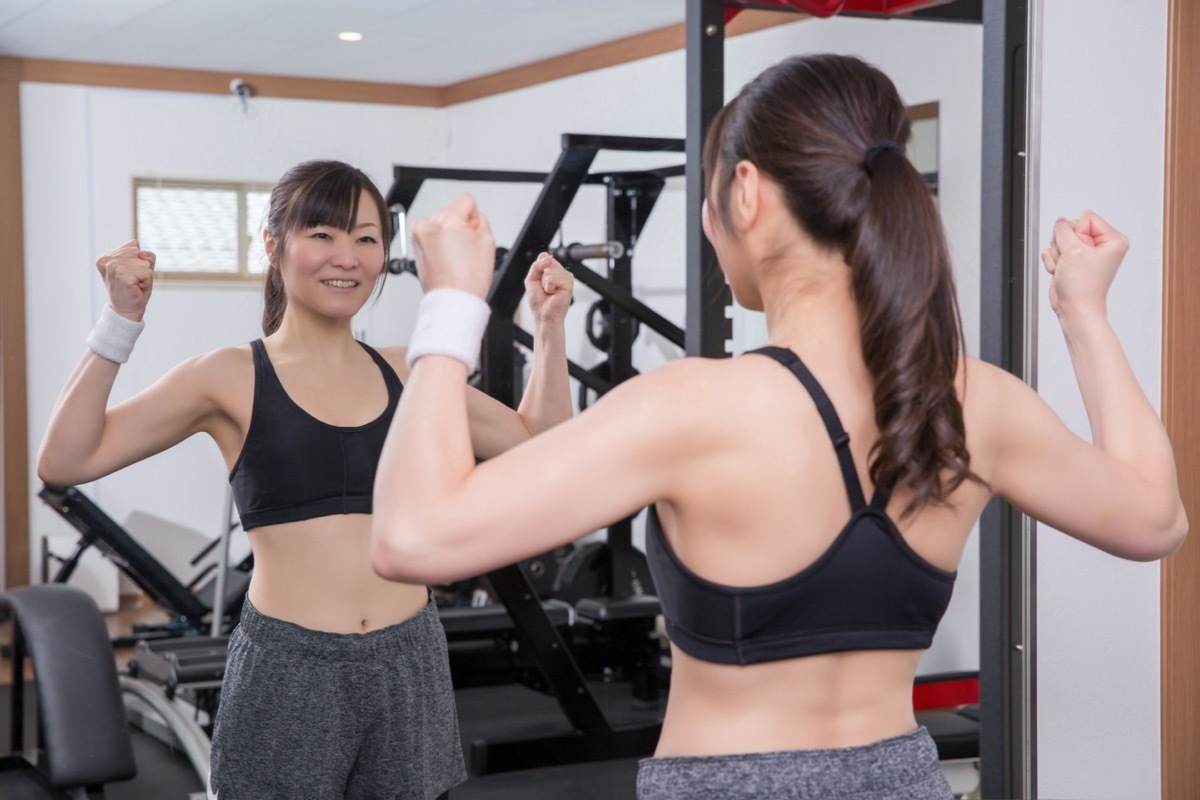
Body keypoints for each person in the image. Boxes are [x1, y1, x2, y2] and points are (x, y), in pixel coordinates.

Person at [368, 54, 1187, 800]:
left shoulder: (690, 406)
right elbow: (1156, 520)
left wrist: (450, 306)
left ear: (747, 193)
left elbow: (410, 539)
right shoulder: (976, 402)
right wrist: (1083, 311)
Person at [36, 159, 576, 800]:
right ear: (273, 245)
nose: (346, 257)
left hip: (410, 662)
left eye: (366, 238)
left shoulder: (414, 371)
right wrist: (120, 320)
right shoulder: (227, 376)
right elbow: (65, 461)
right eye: (322, 234)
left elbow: (542, 447)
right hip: (289, 667)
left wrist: (549, 326)